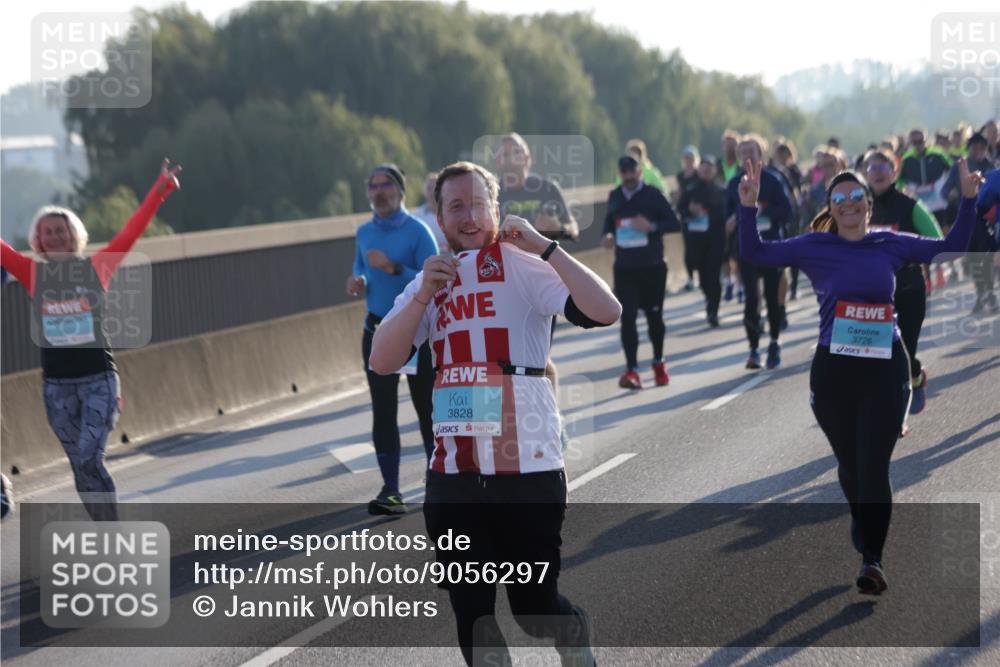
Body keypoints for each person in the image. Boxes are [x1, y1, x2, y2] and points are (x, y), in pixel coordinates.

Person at [369, 160, 619, 667]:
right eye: (454, 206)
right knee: (475, 616)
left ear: (496, 209)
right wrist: (421, 297)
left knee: (533, 609)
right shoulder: (429, 281)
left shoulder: (523, 264)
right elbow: (382, 360)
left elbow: (605, 310)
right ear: (438, 217)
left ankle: (571, 629)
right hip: (455, 477)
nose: (467, 215)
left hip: (527, 468)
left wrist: (547, 248)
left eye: (476, 203)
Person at [738, 157, 980, 595]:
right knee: (850, 466)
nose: (849, 203)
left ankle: (874, 559)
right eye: (839, 198)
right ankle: (860, 515)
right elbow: (755, 252)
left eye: (856, 197)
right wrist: (748, 208)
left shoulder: (889, 243)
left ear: (869, 205)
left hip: (885, 367)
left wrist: (967, 199)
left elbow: (951, 246)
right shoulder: (815, 245)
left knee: (874, 467)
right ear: (831, 208)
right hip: (834, 371)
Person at [0, 159, 181, 521]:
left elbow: (131, 232)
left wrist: (159, 190)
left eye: (61, 230)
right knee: (79, 466)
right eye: (48, 232)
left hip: (99, 381)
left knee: (89, 456)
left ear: (74, 235)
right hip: (57, 388)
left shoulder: (97, 268)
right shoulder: (31, 273)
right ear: (39, 239)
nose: (55, 236)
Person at [347, 163, 438, 515]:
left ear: (400, 192)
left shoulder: (417, 231)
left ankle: (438, 480)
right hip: (376, 329)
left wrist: (396, 269)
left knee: (426, 410)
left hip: (417, 332)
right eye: (373, 186)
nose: (378, 191)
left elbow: (436, 274)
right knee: (383, 412)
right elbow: (360, 268)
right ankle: (391, 490)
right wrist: (359, 281)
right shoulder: (364, 232)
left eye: (386, 185)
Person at [864, 148, 942, 414]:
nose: (877, 173)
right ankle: (893, 412)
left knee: (904, 353)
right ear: (865, 175)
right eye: (871, 168)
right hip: (873, 294)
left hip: (908, 289)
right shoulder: (858, 208)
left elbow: (937, 240)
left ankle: (916, 377)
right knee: (880, 354)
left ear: (893, 171)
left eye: (882, 167)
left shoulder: (909, 206)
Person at [601, 155, 681, 389]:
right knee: (627, 318)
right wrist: (607, 236)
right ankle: (632, 369)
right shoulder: (615, 196)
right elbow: (608, 223)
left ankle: (658, 362)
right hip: (625, 267)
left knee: (655, 317)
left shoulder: (654, 195)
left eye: (632, 171)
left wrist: (652, 227)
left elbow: (675, 223)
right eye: (624, 172)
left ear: (640, 172)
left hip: (653, 266)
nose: (628, 176)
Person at [724, 134, 794, 369]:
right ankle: (754, 349)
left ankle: (774, 342)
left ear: (760, 154)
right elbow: (726, 215)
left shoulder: (774, 180)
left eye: (751, 152)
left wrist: (759, 211)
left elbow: (788, 212)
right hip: (746, 249)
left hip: (772, 246)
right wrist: (731, 221)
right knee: (751, 299)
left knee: (773, 299)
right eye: (742, 152)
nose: (746, 156)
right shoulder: (734, 184)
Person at [678, 155, 727, 327]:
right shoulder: (691, 189)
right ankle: (708, 298)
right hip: (696, 240)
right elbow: (680, 211)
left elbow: (726, 212)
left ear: (714, 170)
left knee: (714, 275)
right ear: (699, 169)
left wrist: (708, 212)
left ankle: (713, 309)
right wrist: (690, 211)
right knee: (703, 275)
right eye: (703, 167)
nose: (706, 170)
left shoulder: (721, 189)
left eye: (710, 167)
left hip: (716, 238)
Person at [721, 131, 743, 302]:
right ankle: (728, 282)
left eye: (733, 144)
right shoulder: (717, 165)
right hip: (720, 214)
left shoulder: (743, 167)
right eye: (727, 144)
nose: (730, 148)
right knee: (724, 253)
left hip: (737, 214)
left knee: (738, 253)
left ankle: (740, 285)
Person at [676, 145, 702, 291]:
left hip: (701, 216)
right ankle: (691, 277)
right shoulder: (680, 176)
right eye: (686, 158)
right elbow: (680, 194)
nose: (688, 161)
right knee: (689, 249)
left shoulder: (700, 175)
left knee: (702, 246)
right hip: (687, 215)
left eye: (691, 158)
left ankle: (704, 274)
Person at [412, 170, 449, 253]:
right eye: (429, 188)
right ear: (424, 191)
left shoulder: (452, 214)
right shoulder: (416, 216)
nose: (432, 192)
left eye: (435, 188)